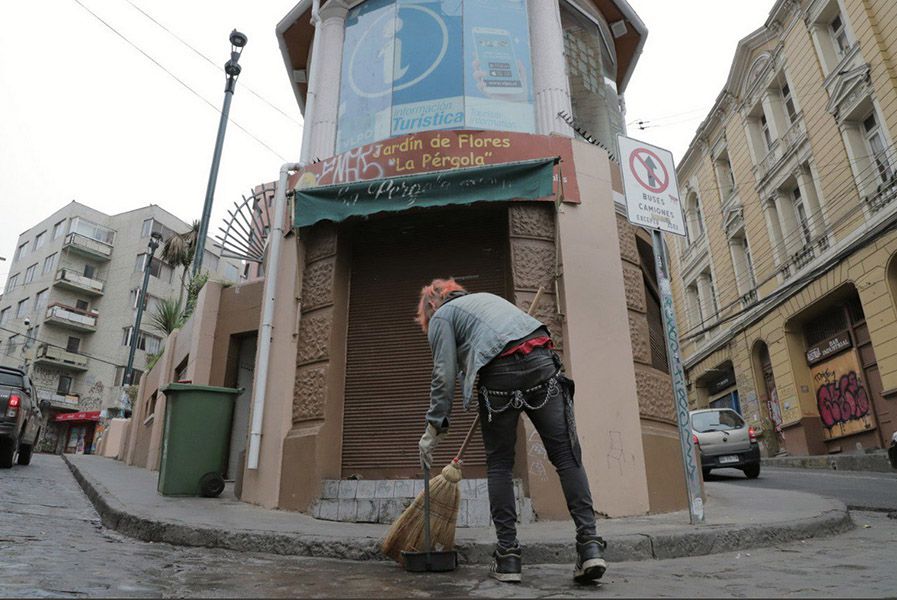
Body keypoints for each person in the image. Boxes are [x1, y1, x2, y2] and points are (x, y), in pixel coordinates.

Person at [415, 278, 606, 584]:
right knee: (567, 457)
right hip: (542, 361)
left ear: (432, 304)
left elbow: (443, 374)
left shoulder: (441, 317)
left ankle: (509, 558)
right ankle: (590, 545)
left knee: (500, 465)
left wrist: (434, 426)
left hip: (499, 376)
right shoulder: (487, 298)